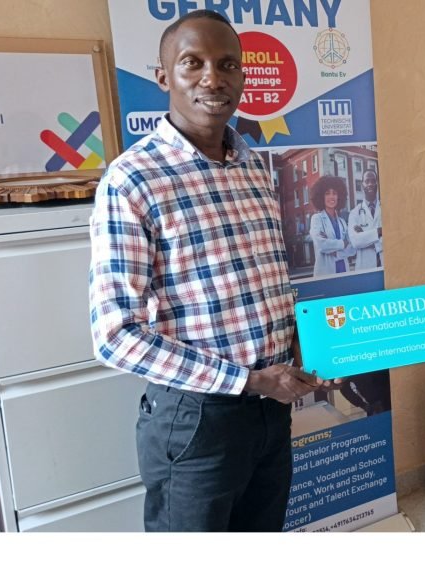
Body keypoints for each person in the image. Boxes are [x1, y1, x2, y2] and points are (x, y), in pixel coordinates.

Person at [89, 10, 330, 532]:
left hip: (270, 410)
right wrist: (248, 381)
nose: (212, 79)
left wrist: (299, 340)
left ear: (243, 76)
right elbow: (115, 336)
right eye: (192, 63)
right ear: (163, 77)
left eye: (227, 65)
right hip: (196, 420)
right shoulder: (133, 179)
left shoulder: (253, 167)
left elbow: (263, 282)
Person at [309, 175, 356, 275]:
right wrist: (343, 243)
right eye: (327, 193)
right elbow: (321, 245)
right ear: (321, 196)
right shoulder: (317, 219)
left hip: (344, 270)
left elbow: (352, 248)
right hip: (325, 273)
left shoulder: (342, 222)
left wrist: (335, 252)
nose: (331, 197)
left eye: (334, 193)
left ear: (339, 196)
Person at [348, 169, 383, 269]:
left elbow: (393, 238)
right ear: (362, 185)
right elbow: (355, 241)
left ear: (377, 184)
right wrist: (379, 231)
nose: (370, 184)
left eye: (373, 181)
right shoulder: (354, 213)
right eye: (367, 181)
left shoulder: (387, 209)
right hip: (365, 267)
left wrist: (365, 236)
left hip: (386, 265)